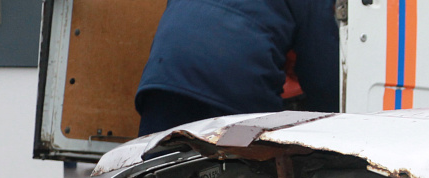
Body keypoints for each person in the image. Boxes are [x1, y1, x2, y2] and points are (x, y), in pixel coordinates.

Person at [135, 0, 339, 136]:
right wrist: (336, 130)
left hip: (164, 75)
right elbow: (322, 75)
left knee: (155, 176)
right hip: (236, 86)